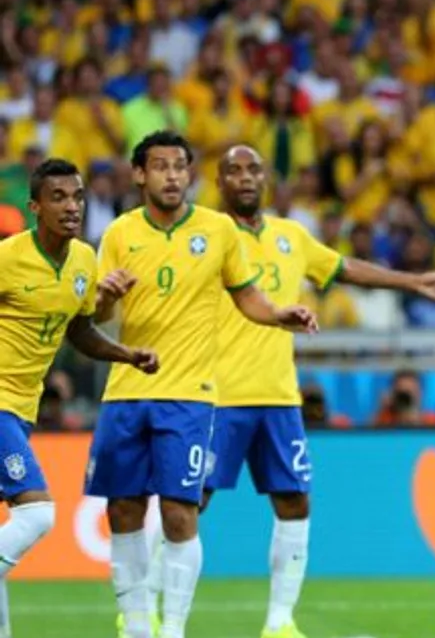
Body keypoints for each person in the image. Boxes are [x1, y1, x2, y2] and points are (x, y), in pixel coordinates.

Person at [201, 144, 435, 638]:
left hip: (277, 396)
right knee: (186, 502)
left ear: (266, 179)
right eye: (234, 170)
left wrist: (412, 281)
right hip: (217, 395)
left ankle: (279, 622)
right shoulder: (206, 236)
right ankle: (149, 612)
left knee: (295, 501)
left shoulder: (291, 236)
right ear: (219, 181)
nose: (246, 177)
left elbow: (346, 268)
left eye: (254, 168)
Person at [89, 131, 317, 638]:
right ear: (140, 175)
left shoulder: (216, 230)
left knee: (179, 511)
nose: (172, 175)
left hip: (190, 395)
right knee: (124, 507)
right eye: (161, 166)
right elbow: (98, 315)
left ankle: (172, 630)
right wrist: (105, 296)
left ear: (190, 175)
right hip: (127, 391)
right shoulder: (121, 234)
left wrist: (280, 314)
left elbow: (246, 295)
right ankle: (135, 624)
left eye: (180, 166)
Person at [0, 159, 159, 636]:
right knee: (37, 512)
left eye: (77, 197)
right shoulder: (8, 259)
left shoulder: (85, 261)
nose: (71, 207)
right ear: (35, 207)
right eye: (58, 198)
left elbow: (80, 330)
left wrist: (125, 354)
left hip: (21, 410)